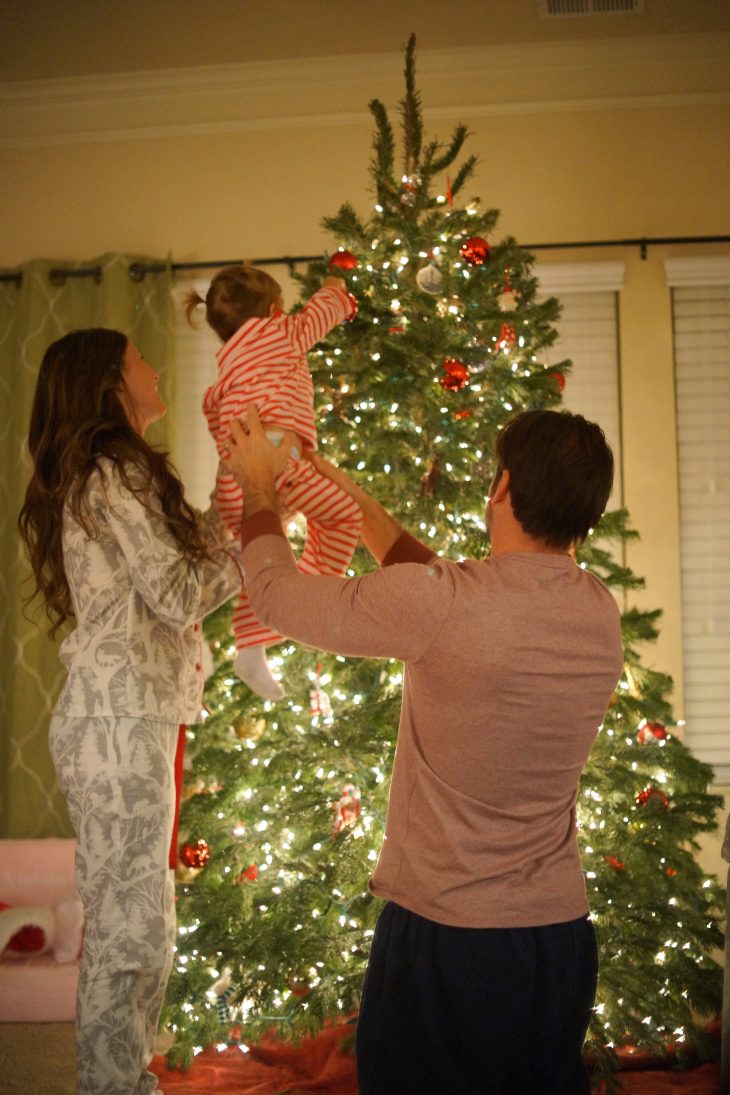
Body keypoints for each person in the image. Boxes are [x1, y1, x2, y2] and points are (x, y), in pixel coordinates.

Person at [224, 405, 624, 1095]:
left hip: (451, 941)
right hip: (559, 941)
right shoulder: (597, 609)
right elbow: (449, 590)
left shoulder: (444, 605)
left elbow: (279, 597)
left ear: (500, 487)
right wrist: (346, 491)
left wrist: (259, 489)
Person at [18, 328, 245, 1095]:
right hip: (116, 724)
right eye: (140, 358)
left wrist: (237, 497)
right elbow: (181, 594)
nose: (152, 368)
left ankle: (121, 1083)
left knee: (141, 924)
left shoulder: (117, 473)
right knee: (130, 930)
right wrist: (262, 537)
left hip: (131, 719)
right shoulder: (112, 471)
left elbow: (177, 574)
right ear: (114, 382)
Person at [184, 263, 362, 700]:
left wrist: (234, 470)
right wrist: (337, 288)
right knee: (343, 516)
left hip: (236, 477)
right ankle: (311, 603)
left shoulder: (226, 368)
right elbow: (324, 311)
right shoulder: (280, 333)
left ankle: (251, 646)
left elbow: (213, 415)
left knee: (260, 556)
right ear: (273, 309)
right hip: (279, 460)